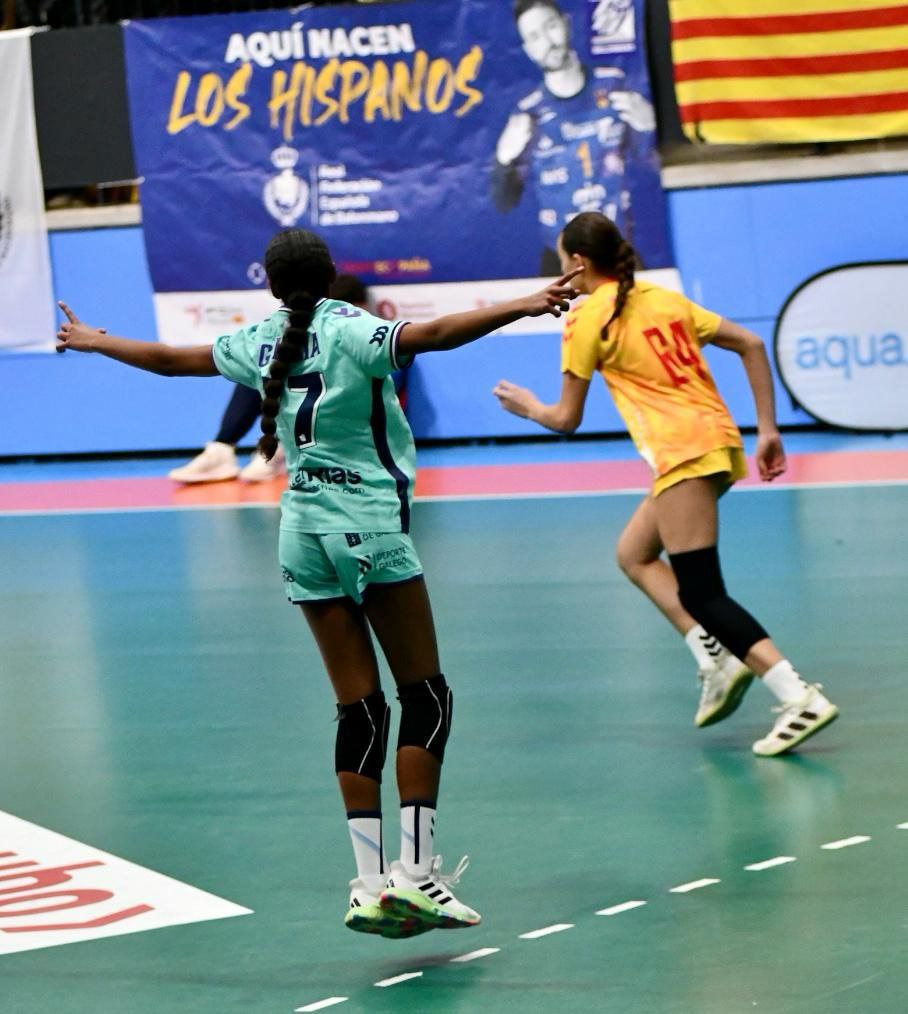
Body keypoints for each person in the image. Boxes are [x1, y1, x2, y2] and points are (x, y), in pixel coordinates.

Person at [56, 228, 580, 936]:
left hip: (301, 535)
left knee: (359, 709)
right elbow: (437, 333)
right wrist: (523, 303)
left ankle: (368, 885)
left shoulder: (258, 340)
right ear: (333, 275)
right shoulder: (351, 328)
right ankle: (418, 877)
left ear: (269, 285)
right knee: (425, 695)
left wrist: (95, 340)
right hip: (367, 526)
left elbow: (169, 360)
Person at [493, 212, 839, 757]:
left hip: (683, 453)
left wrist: (526, 406)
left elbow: (565, 418)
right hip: (716, 443)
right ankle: (715, 656)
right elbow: (750, 344)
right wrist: (767, 430)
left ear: (578, 263)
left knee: (702, 591)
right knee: (634, 554)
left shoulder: (586, 320)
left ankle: (797, 696)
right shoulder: (661, 299)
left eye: (562, 258)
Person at [493, 0, 657, 274]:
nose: (547, 40)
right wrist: (503, 161)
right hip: (559, 259)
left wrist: (649, 127)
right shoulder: (526, 114)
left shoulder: (616, 86)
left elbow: (651, 171)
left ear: (566, 24)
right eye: (534, 36)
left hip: (619, 247)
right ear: (527, 50)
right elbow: (503, 203)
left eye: (550, 26)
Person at [169, 274, 376, 484]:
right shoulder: (304, 342)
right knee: (264, 366)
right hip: (305, 425)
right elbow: (170, 362)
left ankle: (285, 445)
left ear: (362, 307)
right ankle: (223, 449)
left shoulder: (377, 345)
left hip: (348, 435)